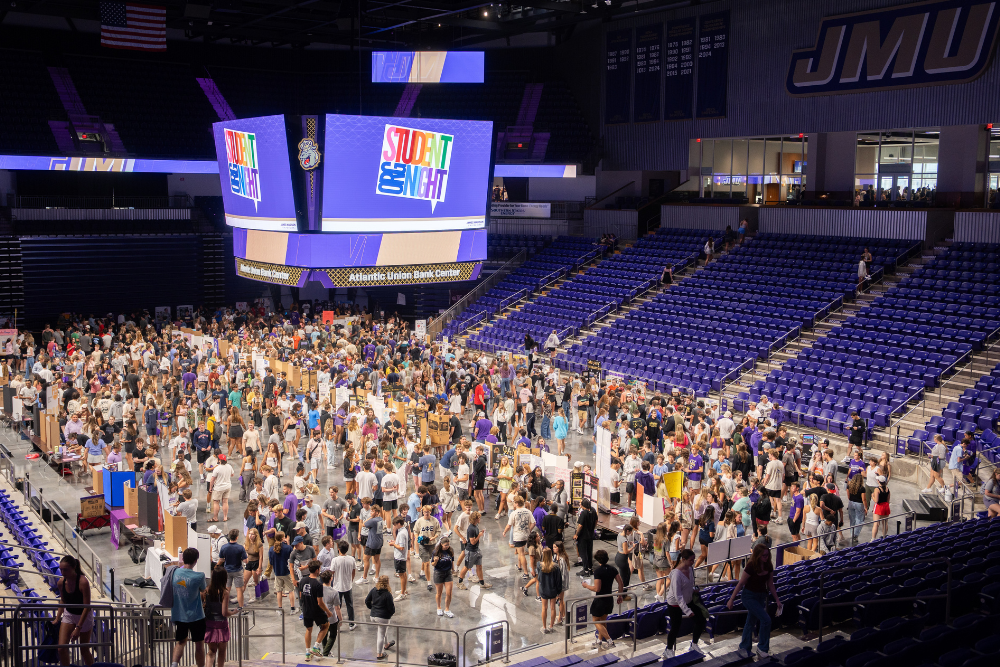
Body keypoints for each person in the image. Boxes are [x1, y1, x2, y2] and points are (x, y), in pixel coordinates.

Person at [726, 544, 782, 659]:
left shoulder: (768, 565)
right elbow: (741, 583)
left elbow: (770, 584)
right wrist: (731, 599)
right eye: (764, 555)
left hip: (761, 596)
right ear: (757, 556)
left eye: (767, 555)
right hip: (749, 596)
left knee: (750, 622)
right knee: (766, 619)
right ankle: (762, 648)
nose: (766, 557)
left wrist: (777, 600)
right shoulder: (751, 566)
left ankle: (744, 646)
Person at [660, 549, 704, 659]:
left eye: (693, 560)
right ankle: (668, 650)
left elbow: (689, 585)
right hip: (675, 603)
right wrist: (687, 611)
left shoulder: (690, 569)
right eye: (691, 560)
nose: (693, 562)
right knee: (675, 627)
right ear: (683, 560)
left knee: (701, 620)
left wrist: (694, 590)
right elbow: (677, 595)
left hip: (688, 600)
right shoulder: (676, 574)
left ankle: (694, 644)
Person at [52, 555, 94, 667]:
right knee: (61, 648)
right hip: (69, 614)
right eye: (61, 569)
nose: (62, 572)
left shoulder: (83, 582)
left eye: (65, 569)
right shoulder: (61, 582)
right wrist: (57, 618)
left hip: (84, 616)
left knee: (84, 650)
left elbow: (87, 606)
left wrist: (78, 628)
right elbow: (63, 600)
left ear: (74, 568)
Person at [170, 548, 207, 667]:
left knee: (180, 642)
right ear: (196, 561)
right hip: (196, 616)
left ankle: (174, 665)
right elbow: (203, 591)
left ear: (183, 559)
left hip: (180, 615)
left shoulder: (174, 573)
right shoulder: (199, 576)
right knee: (199, 645)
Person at [581, 550, 624, 650]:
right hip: (609, 599)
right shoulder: (613, 569)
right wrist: (620, 595)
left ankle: (609, 641)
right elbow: (620, 583)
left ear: (597, 559)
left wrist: (586, 586)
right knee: (603, 621)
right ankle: (599, 641)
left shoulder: (598, 571)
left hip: (600, 599)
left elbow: (597, 588)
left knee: (596, 621)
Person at [299, 560, 332, 661]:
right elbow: (320, 602)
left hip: (306, 609)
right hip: (316, 610)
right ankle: (316, 647)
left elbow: (300, 596)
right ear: (317, 570)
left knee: (308, 629)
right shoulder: (318, 585)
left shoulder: (302, 580)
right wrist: (327, 611)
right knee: (326, 625)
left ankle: (308, 653)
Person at [204, 567, 237, 667]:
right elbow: (224, 612)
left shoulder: (207, 590)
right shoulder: (224, 592)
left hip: (209, 624)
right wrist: (233, 612)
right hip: (221, 625)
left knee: (211, 651)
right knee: (222, 652)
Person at [364, 575, 396, 660]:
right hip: (383, 617)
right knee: (381, 634)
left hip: (373, 616)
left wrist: (372, 608)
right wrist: (390, 614)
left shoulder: (374, 590)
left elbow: (367, 600)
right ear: (387, 583)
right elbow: (391, 608)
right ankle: (379, 654)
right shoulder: (387, 594)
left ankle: (386, 645)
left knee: (383, 629)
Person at [537, 548, 563, 634]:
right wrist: (558, 591)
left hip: (544, 589)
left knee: (544, 608)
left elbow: (539, 578)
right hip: (553, 590)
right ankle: (551, 626)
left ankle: (544, 627)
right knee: (553, 608)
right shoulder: (555, 566)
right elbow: (558, 580)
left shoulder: (539, 565)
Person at [431, 537, 456, 617]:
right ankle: (439, 607)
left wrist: (453, 570)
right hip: (438, 573)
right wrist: (435, 561)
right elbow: (432, 564)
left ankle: (447, 609)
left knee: (449, 593)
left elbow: (452, 560)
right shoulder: (436, 552)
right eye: (445, 545)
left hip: (448, 573)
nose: (447, 546)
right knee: (439, 593)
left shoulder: (450, 550)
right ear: (441, 544)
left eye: (448, 545)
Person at [870, 475, 891, 540]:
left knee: (876, 524)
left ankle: (873, 539)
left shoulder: (877, 489)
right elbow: (888, 500)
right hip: (886, 507)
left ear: (878, 481)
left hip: (879, 507)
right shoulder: (887, 489)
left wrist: (872, 496)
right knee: (885, 523)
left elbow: (876, 500)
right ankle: (884, 536)